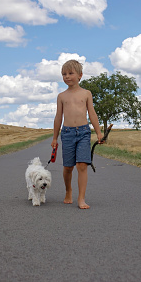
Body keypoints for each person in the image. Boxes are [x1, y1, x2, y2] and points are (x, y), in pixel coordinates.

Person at [51, 60, 104, 209]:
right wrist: (55, 137)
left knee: (82, 165)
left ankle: (81, 198)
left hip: (83, 133)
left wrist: (99, 132)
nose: (67, 76)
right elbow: (58, 117)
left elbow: (92, 114)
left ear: (80, 75)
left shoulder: (86, 93)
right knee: (68, 167)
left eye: (70, 73)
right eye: (64, 74)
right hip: (67, 133)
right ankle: (68, 191)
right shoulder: (61, 96)